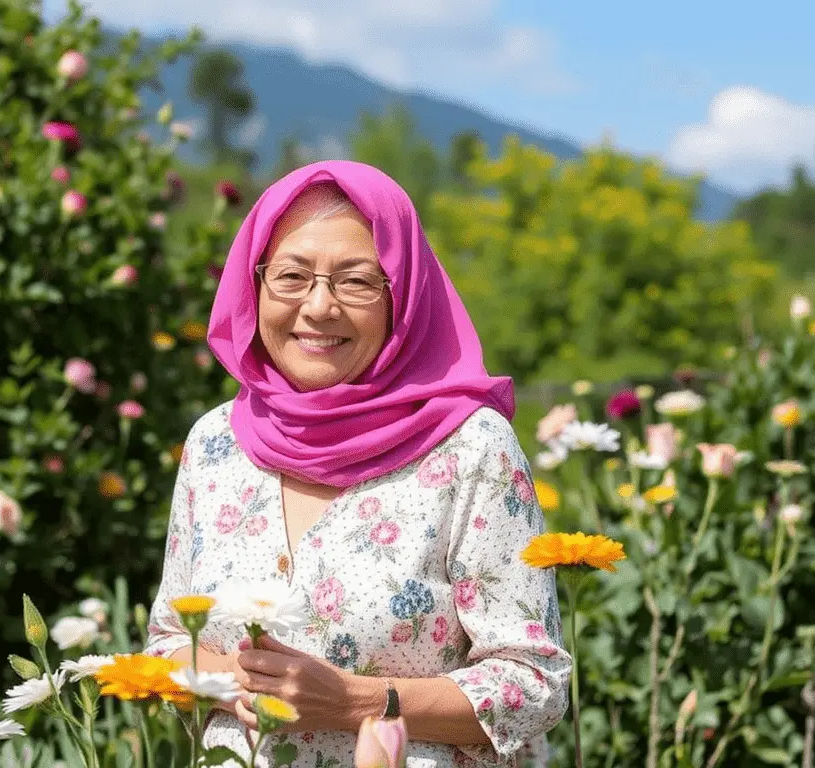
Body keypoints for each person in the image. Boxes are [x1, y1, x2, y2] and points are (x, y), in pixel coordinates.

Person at [145, 160, 572, 768]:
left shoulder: (472, 448)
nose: (319, 306)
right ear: (253, 285)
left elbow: (534, 684)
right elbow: (166, 643)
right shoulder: (215, 444)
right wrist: (240, 684)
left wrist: (356, 702)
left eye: (356, 281)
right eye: (291, 276)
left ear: (403, 295)